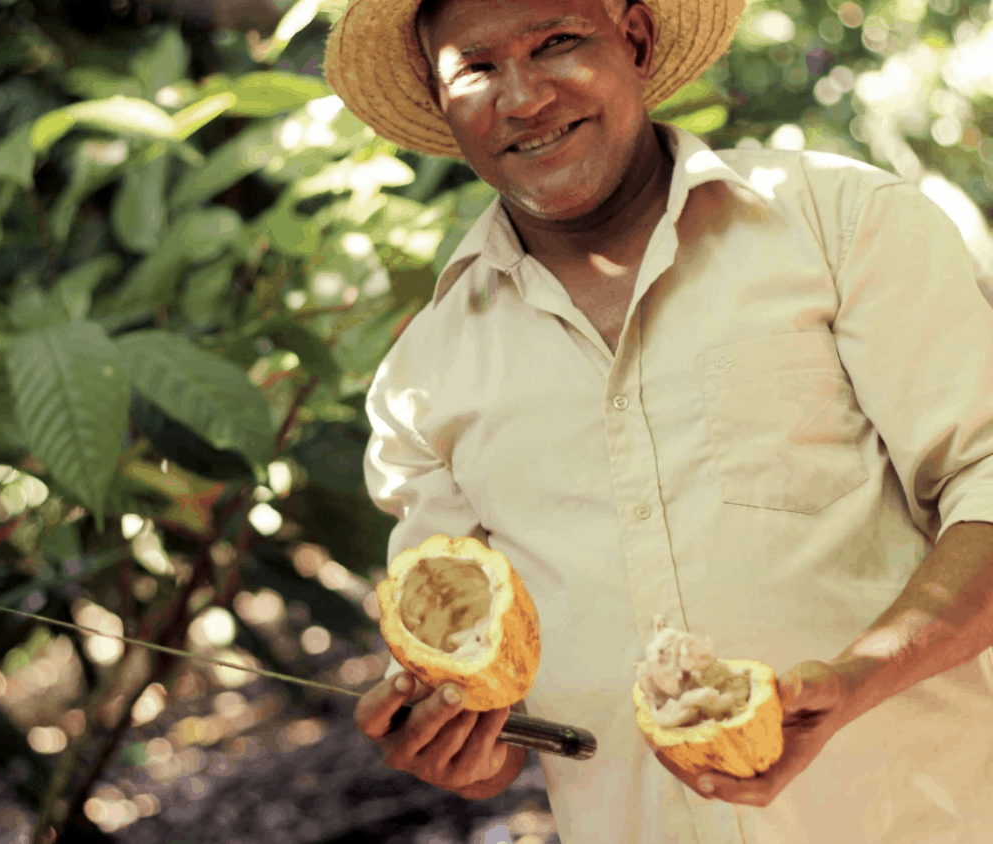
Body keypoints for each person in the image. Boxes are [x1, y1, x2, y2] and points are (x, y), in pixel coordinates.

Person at [322, 0, 993, 840]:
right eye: (477, 68)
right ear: (440, 96)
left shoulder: (839, 222)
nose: (524, 98)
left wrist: (860, 676)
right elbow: (489, 704)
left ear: (633, 40)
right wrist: (458, 749)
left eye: (557, 42)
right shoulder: (425, 377)